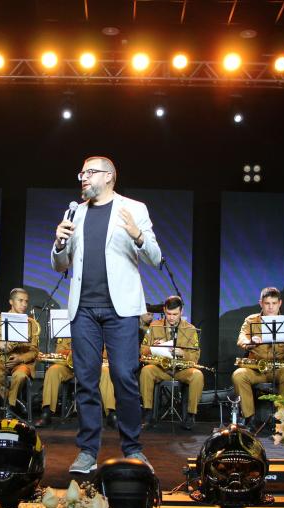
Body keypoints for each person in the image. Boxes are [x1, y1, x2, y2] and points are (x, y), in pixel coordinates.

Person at [52, 155, 162, 473]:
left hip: (121, 309)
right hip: (83, 309)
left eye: (89, 173)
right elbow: (60, 264)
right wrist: (59, 244)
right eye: (81, 172)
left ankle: (133, 448)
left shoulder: (134, 209)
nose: (83, 178)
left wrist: (137, 236)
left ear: (109, 176)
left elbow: (155, 256)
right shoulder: (75, 212)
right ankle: (87, 451)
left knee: (124, 378)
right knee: (85, 381)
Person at [231, 287, 284, 428]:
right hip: (257, 368)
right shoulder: (251, 320)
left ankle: (281, 421)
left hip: (280, 368)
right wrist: (249, 343)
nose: (270, 307)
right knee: (238, 375)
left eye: (274, 303)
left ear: (280, 303)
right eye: (267, 303)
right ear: (261, 303)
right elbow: (241, 338)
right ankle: (249, 418)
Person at [139, 296, 203, 430]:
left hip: (182, 370)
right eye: (168, 314)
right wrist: (153, 348)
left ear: (182, 312)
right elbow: (142, 350)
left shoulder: (190, 330)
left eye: (175, 314)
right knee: (146, 371)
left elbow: (195, 357)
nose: (172, 317)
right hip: (161, 369)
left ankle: (190, 415)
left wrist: (182, 353)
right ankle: (148, 413)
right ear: (164, 310)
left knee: (197, 375)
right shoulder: (154, 326)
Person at [0, 288, 40, 418]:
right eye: (20, 300)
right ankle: (14, 403)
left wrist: (20, 358)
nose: (24, 304)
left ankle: (8, 407)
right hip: (0, 360)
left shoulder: (31, 323)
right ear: (11, 302)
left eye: (26, 301)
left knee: (20, 375)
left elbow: (34, 351)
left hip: (21, 362)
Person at [34, 338, 117, 428]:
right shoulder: (67, 329)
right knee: (52, 371)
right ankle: (47, 411)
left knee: (106, 372)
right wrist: (71, 352)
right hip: (69, 366)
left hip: (94, 365)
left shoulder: (99, 327)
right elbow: (59, 350)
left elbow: (107, 352)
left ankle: (111, 413)